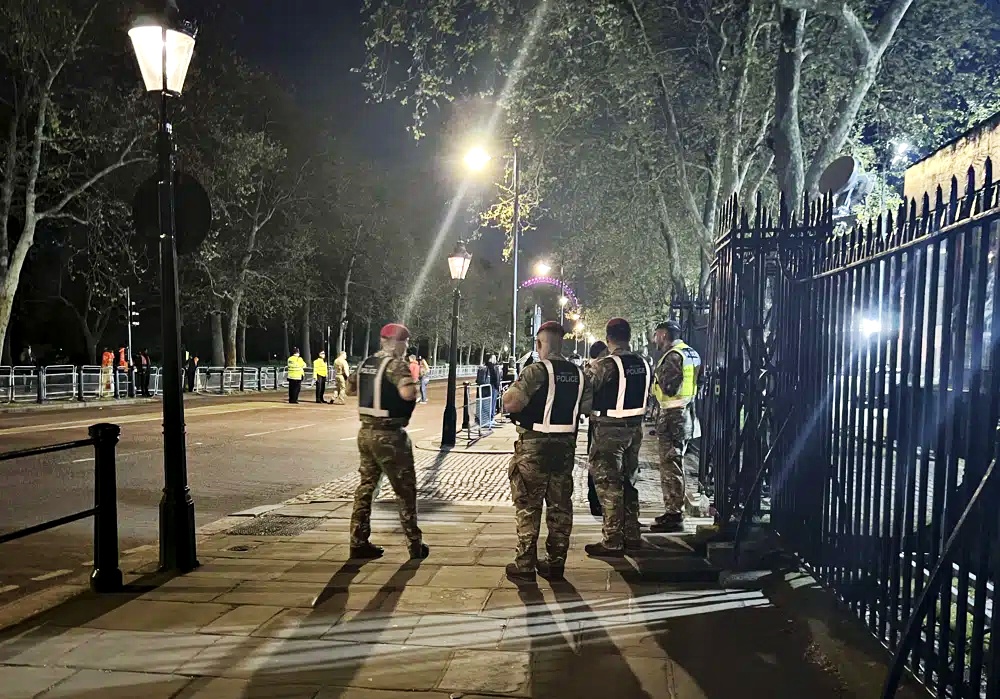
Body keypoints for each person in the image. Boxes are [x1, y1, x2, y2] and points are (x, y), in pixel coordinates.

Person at [502, 321, 591, 583]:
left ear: (540, 344)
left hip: (534, 444)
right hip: (565, 446)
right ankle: (556, 563)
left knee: (529, 504)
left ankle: (525, 562)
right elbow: (586, 407)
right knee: (560, 504)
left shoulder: (535, 371)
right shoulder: (579, 374)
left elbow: (512, 403)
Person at [346, 323, 429, 560]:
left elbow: (351, 388)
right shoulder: (396, 365)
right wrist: (411, 386)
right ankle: (415, 545)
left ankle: (358, 540)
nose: (406, 347)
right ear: (398, 342)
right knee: (405, 490)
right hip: (390, 434)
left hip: (366, 432)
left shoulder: (367, 363)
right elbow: (408, 393)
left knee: (366, 487)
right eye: (406, 343)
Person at [585, 318, 651, 558]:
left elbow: (586, 391)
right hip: (635, 428)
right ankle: (632, 534)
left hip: (609, 428)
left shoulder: (605, 365)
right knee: (628, 482)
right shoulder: (644, 363)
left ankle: (612, 539)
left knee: (608, 485)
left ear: (608, 337)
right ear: (630, 336)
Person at [648, 320, 702, 533]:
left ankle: (674, 513)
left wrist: (656, 375)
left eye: (656, 335)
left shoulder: (673, 356)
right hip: (686, 413)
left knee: (670, 465)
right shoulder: (691, 353)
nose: (654, 340)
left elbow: (669, 387)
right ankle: (674, 510)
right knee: (676, 463)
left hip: (673, 416)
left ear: (663, 334)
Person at [584, 340, 609, 517]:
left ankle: (596, 503)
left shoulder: (592, 369)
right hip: (599, 422)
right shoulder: (599, 369)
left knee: (595, 462)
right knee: (597, 464)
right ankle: (597, 503)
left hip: (596, 421)